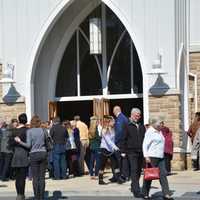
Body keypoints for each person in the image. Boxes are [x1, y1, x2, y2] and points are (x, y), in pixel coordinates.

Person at [15, 115, 47, 200]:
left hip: (33, 154)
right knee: (42, 177)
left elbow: (28, 145)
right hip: (43, 153)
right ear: (39, 122)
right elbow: (47, 142)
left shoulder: (29, 131)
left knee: (35, 177)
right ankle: (42, 196)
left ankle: (37, 197)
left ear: (31, 122)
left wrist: (20, 141)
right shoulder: (43, 130)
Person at [142, 117, 174, 200]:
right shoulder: (150, 131)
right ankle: (145, 193)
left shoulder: (159, 132)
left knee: (163, 175)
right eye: (160, 123)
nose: (161, 124)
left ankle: (166, 194)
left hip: (160, 157)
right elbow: (145, 145)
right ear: (154, 123)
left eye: (162, 123)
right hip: (152, 157)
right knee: (149, 176)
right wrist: (146, 156)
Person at [121, 108, 145, 198]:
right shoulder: (127, 125)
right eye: (136, 115)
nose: (138, 117)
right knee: (134, 170)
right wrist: (123, 151)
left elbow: (144, 139)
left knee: (139, 170)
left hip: (140, 152)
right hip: (131, 152)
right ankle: (136, 191)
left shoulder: (141, 126)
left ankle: (133, 185)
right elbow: (123, 139)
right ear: (132, 115)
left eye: (139, 115)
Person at [9, 113, 29, 200]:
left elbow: (10, 144)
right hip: (24, 154)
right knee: (22, 177)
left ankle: (19, 194)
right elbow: (29, 144)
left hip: (15, 154)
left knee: (17, 177)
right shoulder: (27, 130)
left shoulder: (13, 131)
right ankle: (21, 194)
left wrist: (16, 142)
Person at [98, 115, 122, 185]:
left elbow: (113, 140)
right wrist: (115, 147)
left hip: (111, 149)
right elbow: (108, 141)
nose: (114, 122)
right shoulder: (104, 130)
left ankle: (118, 178)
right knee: (102, 165)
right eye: (113, 121)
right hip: (104, 149)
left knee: (115, 164)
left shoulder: (112, 129)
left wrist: (114, 147)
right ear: (109, 122)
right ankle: (100, 179)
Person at [113, 105, 129, 182]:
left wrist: (115, 142)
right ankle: (124, 175)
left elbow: (119, 132)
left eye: (114, 112)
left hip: (120, 143)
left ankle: (123, 176)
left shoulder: (120, 118)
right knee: (123, 159)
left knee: (120, 160)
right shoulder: (124, 118)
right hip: (124, 142)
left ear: (116, 111)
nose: (113, 113)